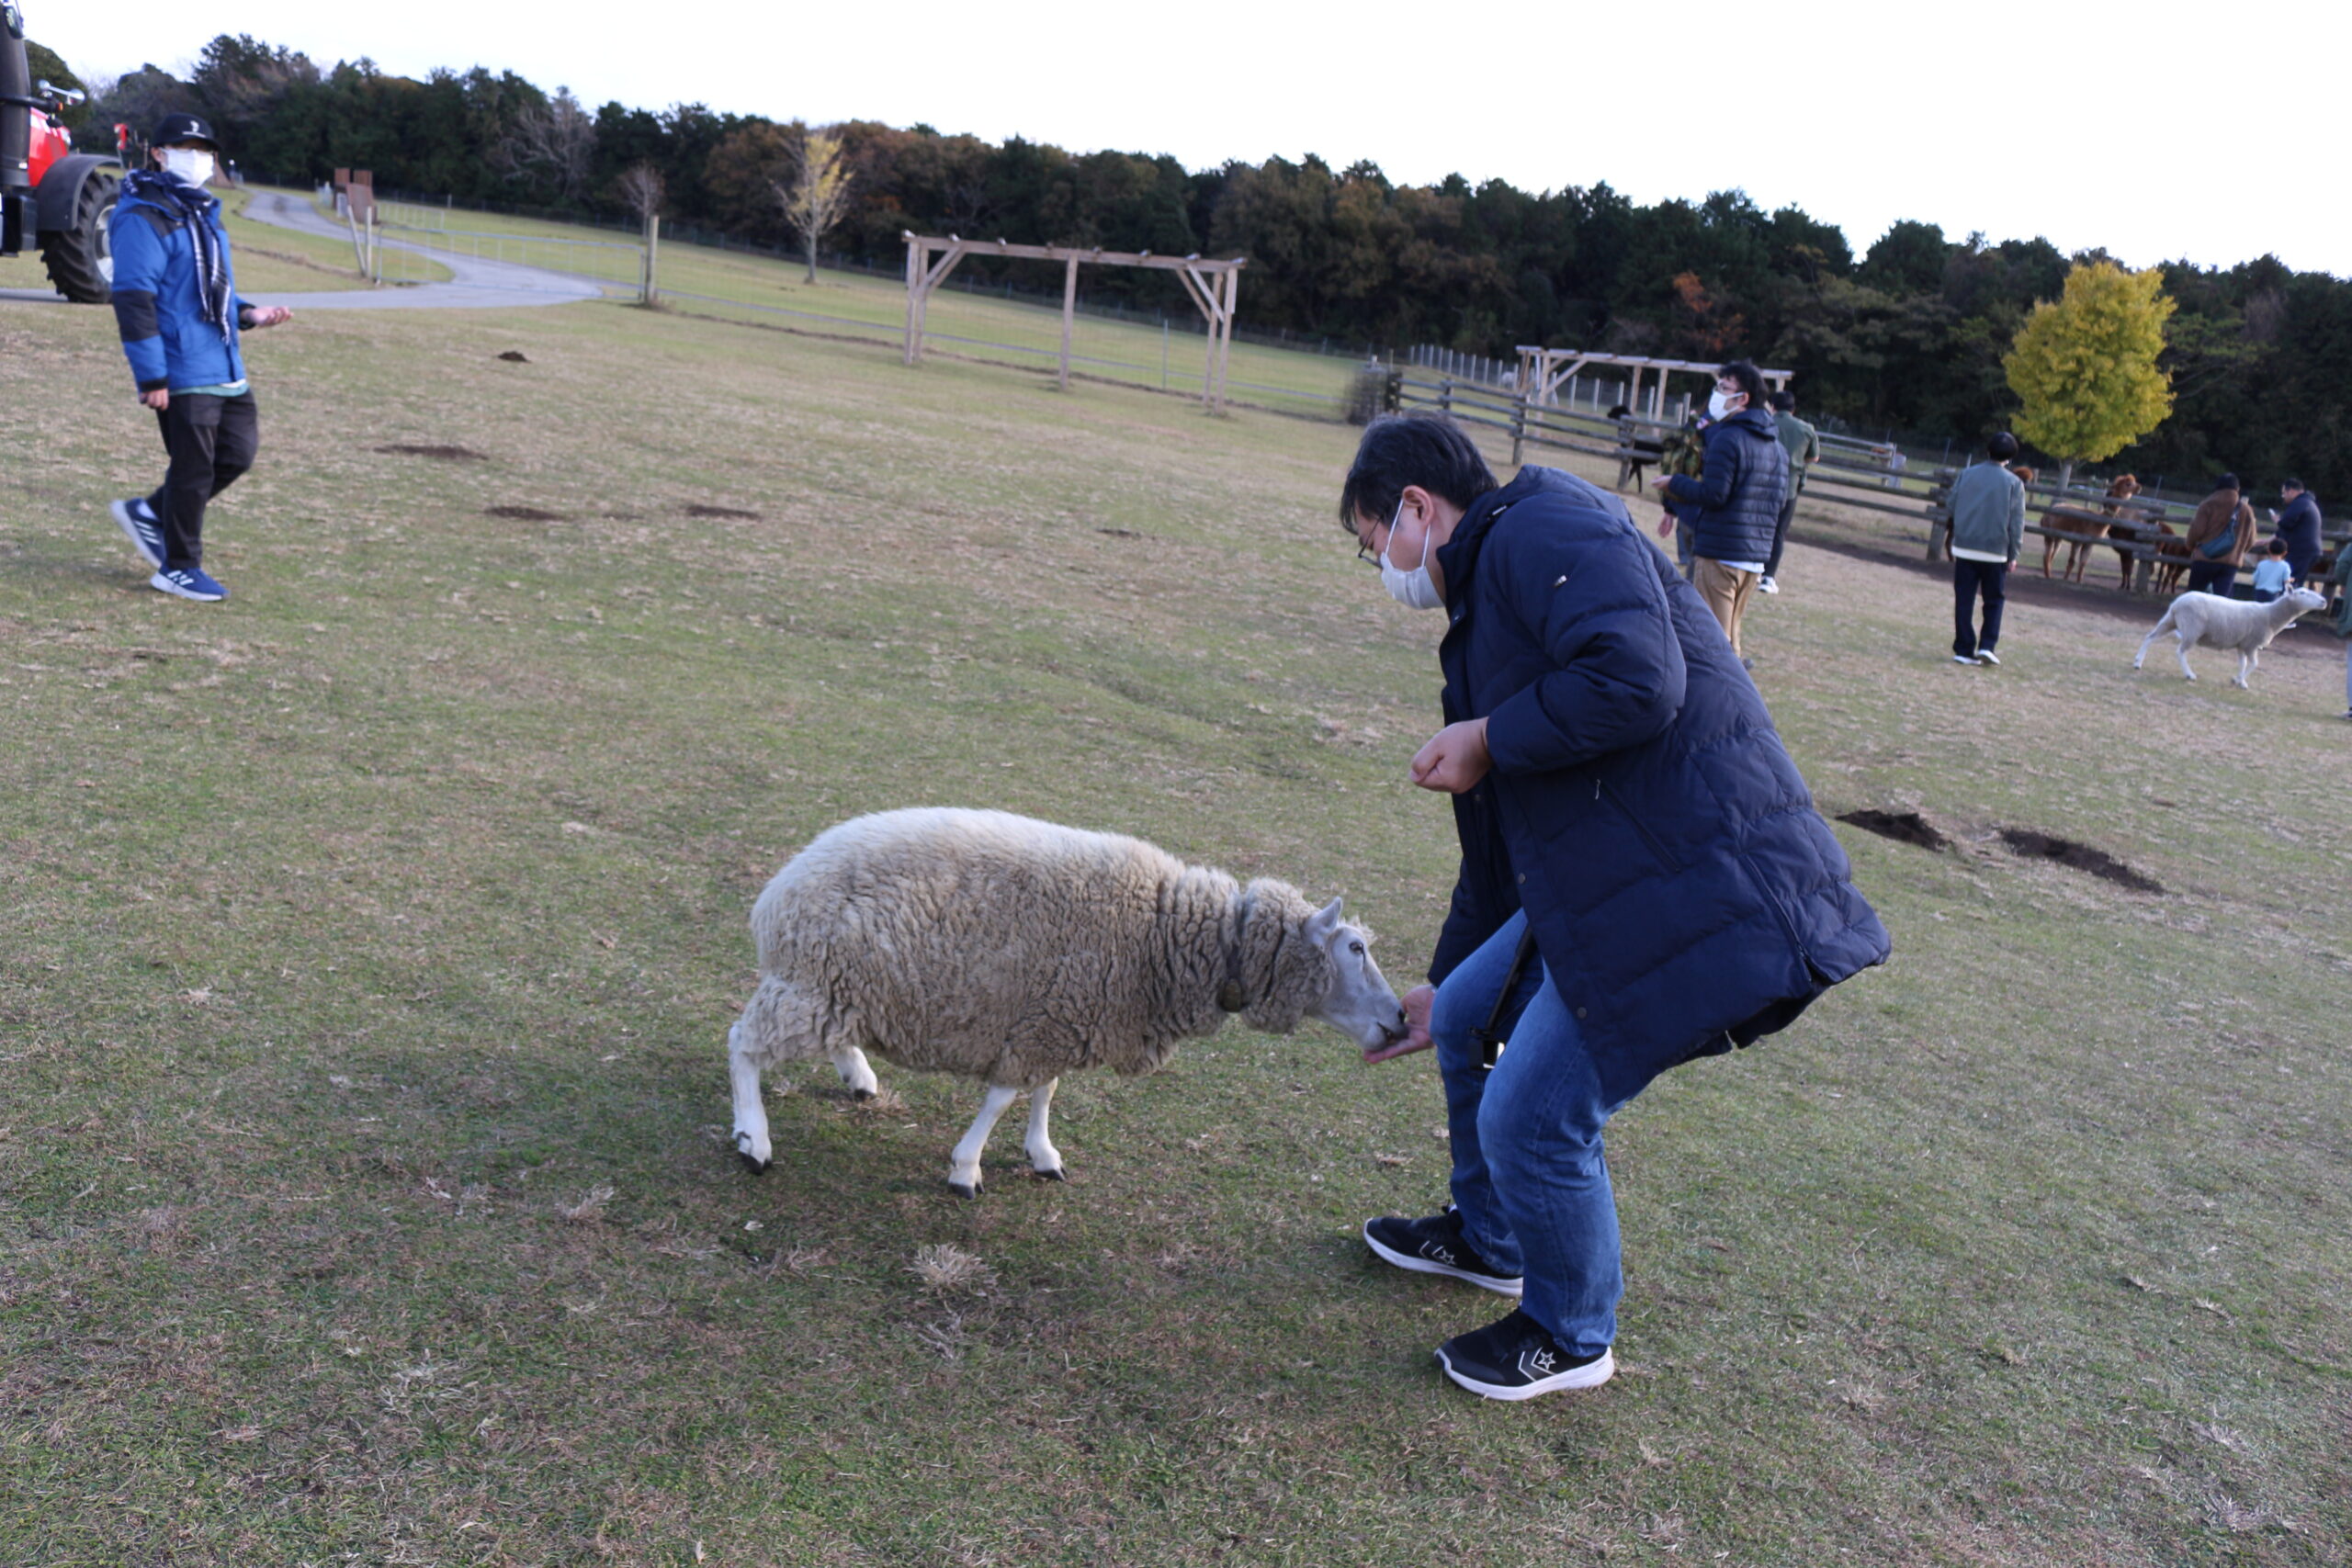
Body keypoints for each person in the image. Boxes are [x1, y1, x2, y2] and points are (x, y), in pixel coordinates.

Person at [1338, 412, 1889, 1401]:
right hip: (1609, 871)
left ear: (1416, 508)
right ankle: (1490, 1238)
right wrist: (1440, 978)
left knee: (1535, 1112)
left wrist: (1493, 737)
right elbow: (1499, 848)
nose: (1380, 564)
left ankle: (1571, 1331)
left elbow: (1639, 680)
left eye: (1372, 539)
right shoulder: (1484, 605)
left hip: (1693, 874)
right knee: (1466, 1019)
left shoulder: (1543, 530)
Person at [104, 112, 292, 603]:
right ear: (159, 154)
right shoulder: (142, 215)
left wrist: (249, 312)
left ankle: (149, 514)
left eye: (205, 149)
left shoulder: (201, 212)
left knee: (236, 454)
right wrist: (152, 376)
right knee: (193, 468)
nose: (198, 158)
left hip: (223, 361)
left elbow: (209, 289)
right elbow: (133, 298)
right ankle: (179, 567)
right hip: (181, 368)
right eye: (186, 148)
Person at [1652, 361, 1789, 661]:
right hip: (1753, 558)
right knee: (1729, 639)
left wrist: (1675, 483)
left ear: (1744, 398)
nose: (1717, 394)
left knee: (1709, 641)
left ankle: (1717, 703)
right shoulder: (1776, 446)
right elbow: (1778, 503)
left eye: (1724, 388)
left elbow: (1714, 494)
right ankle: (1735, 699)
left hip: (1721, 554)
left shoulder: (1728, 437)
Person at [1945, 433, 2026, 665]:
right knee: (1994, 599)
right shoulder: (2014, 483)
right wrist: (2014, 554)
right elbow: (2016, 522)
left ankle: (1963, 648)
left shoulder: (1967, 475)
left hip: (1965, 547)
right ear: (2010, 458)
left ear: (1987, 451)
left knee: (1964, 599)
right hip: (1996, 551)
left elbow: (1951, 504)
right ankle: (1987, 645)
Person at [1760, 389, 1818, 593]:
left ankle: (1753, 568)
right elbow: (1813, 457)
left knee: (1758, 526)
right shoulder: (1806, 429)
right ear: (1793, 409)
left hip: (1762, 480)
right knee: (1778, 533)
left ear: (1773, 407)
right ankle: (1768, 577)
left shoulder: (1766, 422)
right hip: (1789, 485)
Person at [2182, 474, 2256, 599]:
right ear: (2237, 489)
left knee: (2192, 598)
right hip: (2230, 562)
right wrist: (2238, 552)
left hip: (2204, 559)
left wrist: (2191, 546)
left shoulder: (2207, 505)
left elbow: (2196, 531)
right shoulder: (2246, 510)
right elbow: (2251, 540)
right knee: (2222, 602)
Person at [2269, 479, 2323, 583]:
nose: (2283, 497)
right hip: (2307, 550)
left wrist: (2278, 521)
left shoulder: (2299, 503)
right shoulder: (2307, 502)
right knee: (2294, 581)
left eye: (2284, 493)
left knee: (2291, 581)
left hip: (2301, 551)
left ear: (2291, 491)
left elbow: (2287, 523)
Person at [2249, 538, 2293, 603]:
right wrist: (2290, 579)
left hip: (2260, 592)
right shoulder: (2285, 566)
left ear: (2269, 550)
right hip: (2274, 593)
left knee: (2259, 610)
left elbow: (2255, 579)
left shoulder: (2261, 564)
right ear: (2285, 553)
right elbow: (2286, 581)